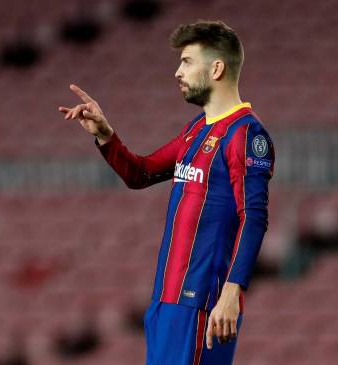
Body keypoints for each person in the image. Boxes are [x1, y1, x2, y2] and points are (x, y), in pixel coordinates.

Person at [58, 20, 274, 365]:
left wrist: (233, 291)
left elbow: (255, 216)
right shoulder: (195, 131)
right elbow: (140, 173)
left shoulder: (246, 135)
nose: (177, 72)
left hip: (202, 302)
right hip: (165, 302)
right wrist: (105, 134)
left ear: (216, 68)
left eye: (187, 61)